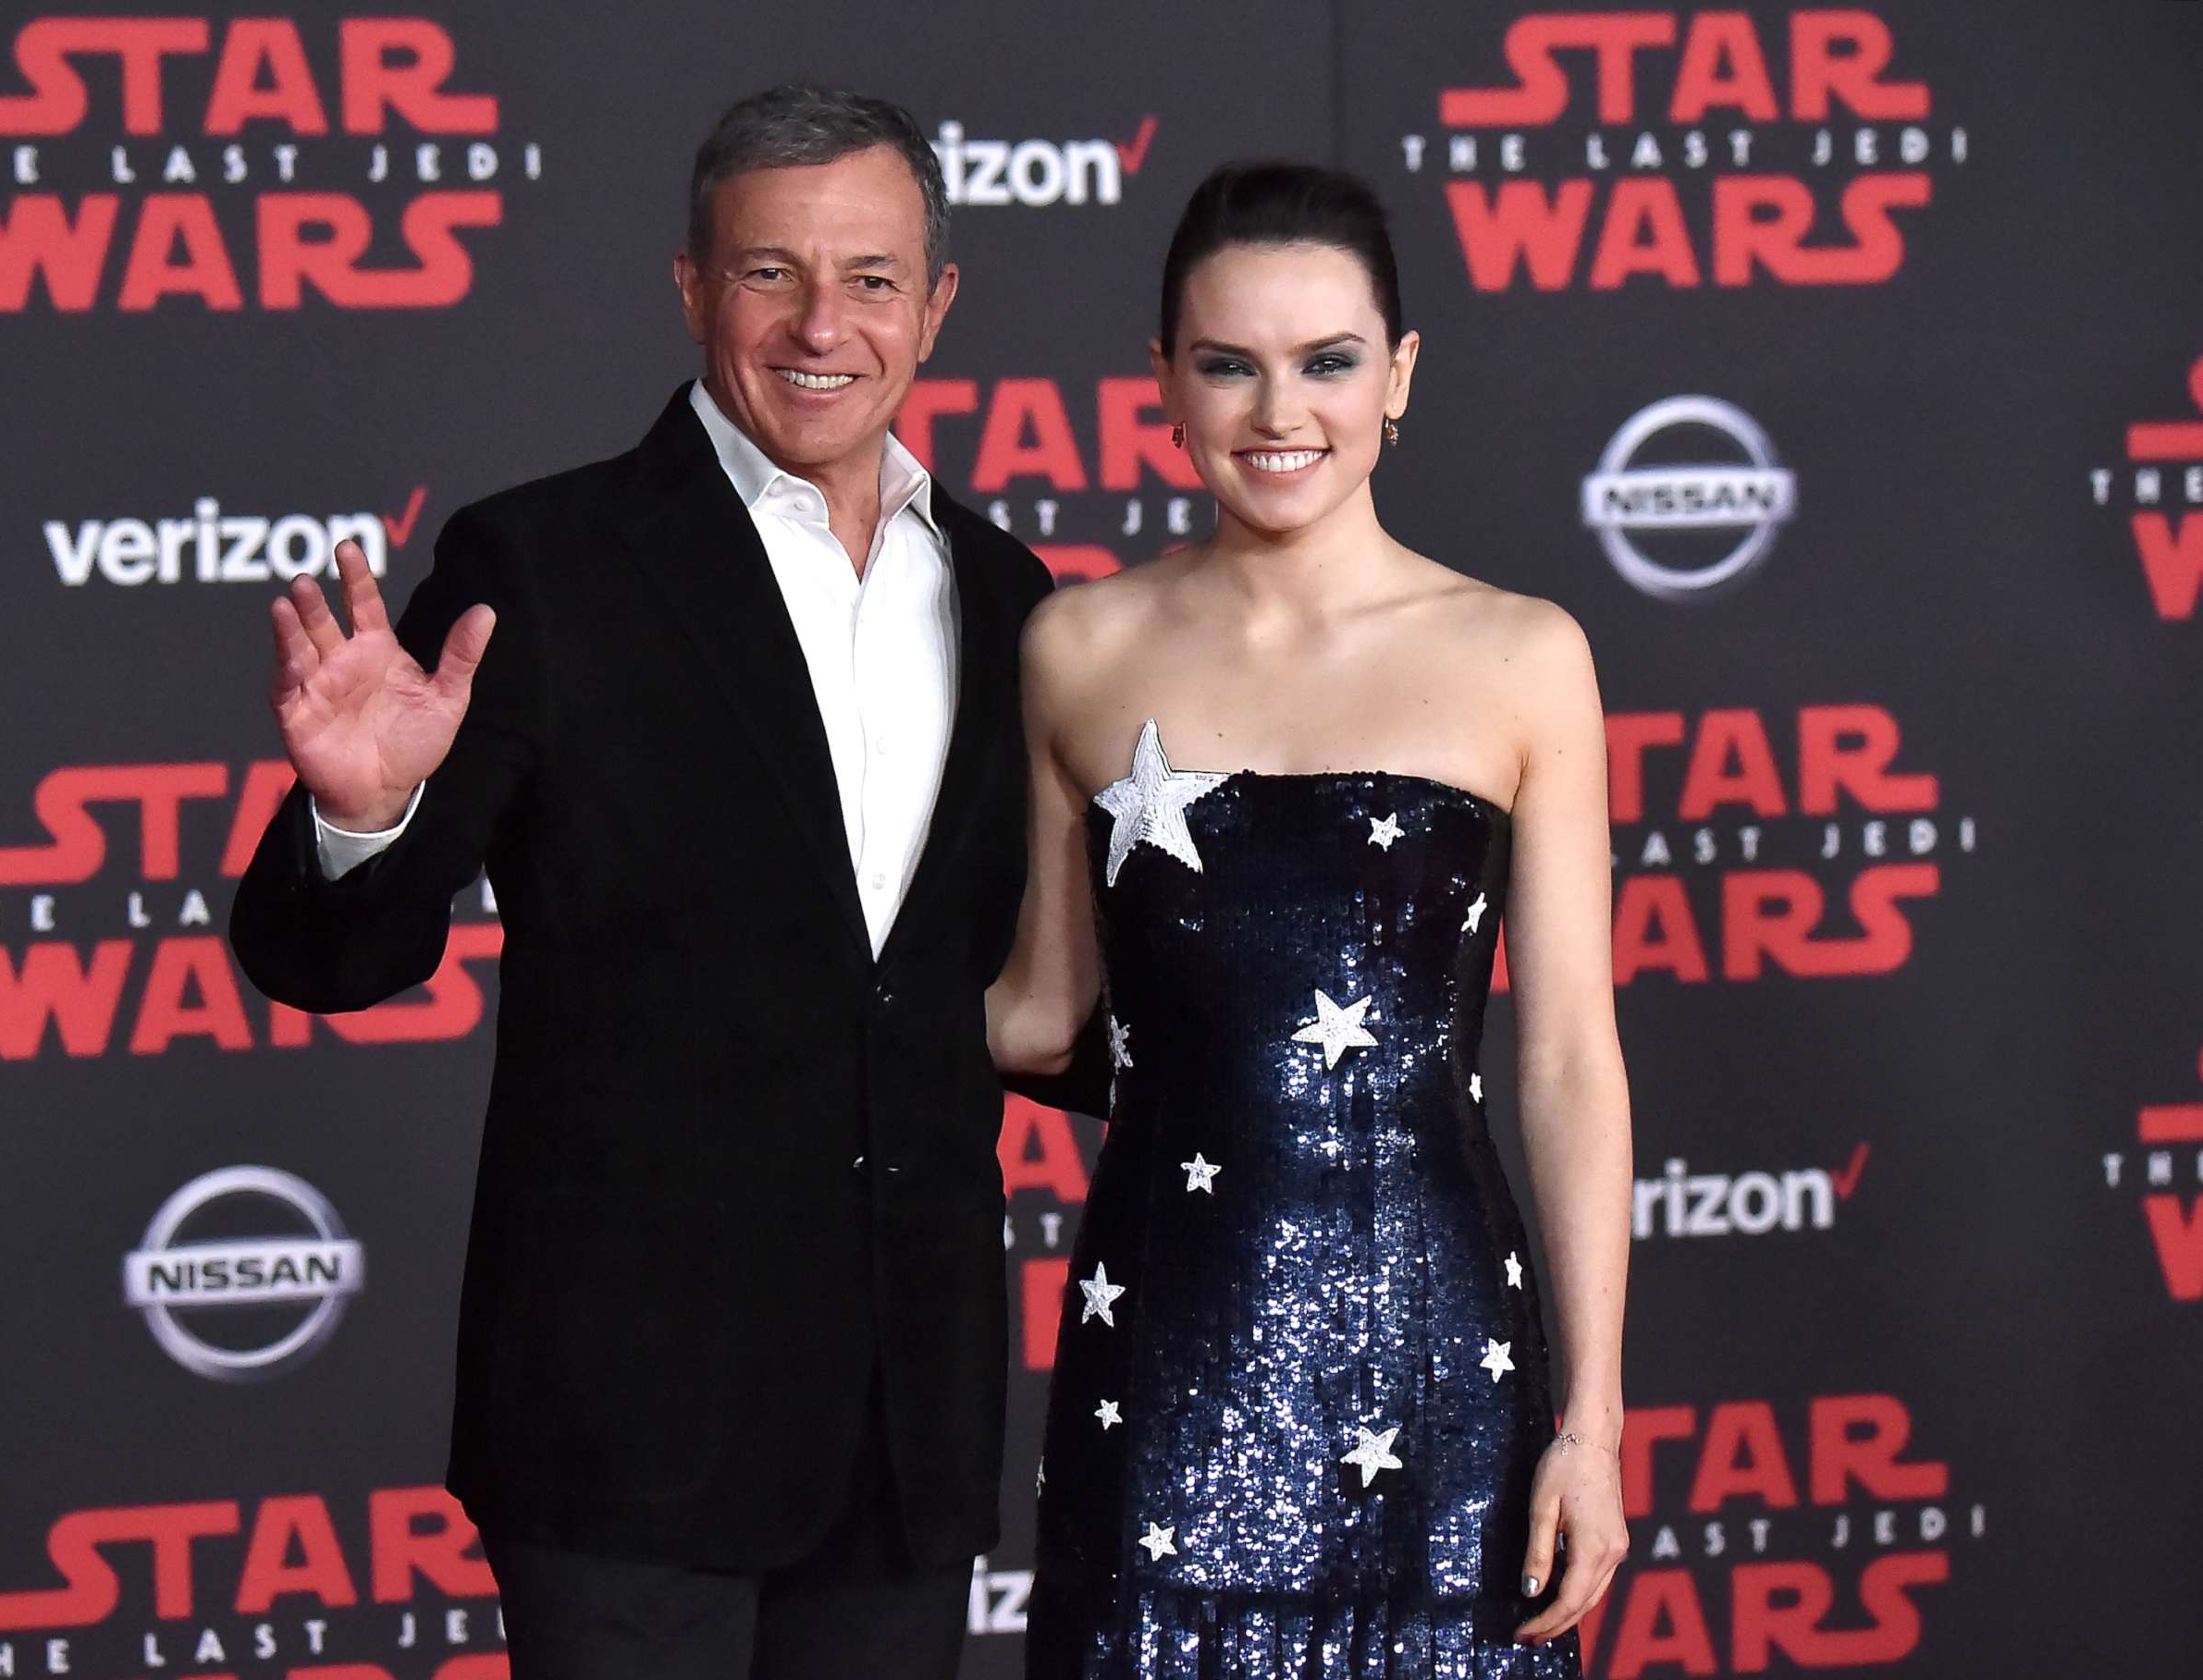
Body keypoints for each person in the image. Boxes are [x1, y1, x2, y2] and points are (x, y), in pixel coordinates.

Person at [232, 84, 1097, 1680]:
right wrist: (358, 815)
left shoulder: (1014, 593)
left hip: (909, 1433)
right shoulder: (540, 569)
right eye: (770, 272)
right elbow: (333, 956)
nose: (822, 323)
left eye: (873, 278)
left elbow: (1022, 1001)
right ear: (693, 286)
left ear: (940, 305)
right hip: (624, 1435)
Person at [988, 162, 1633, 1677]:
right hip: (1163, 1366)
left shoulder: (1524, 655)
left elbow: (1569, 1064)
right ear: (1165, 381)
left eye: (1328, 361)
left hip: (1442, 1364)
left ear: (1397, 374)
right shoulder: (1077, 648)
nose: (1281, 411)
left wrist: (1590, 1421)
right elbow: (1039, 1013)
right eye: (1230, 364)